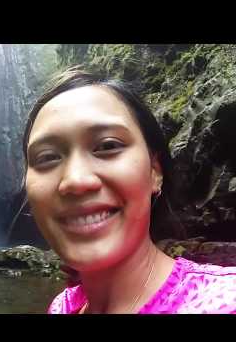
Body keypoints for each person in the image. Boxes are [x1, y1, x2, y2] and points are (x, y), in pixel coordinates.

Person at [22, 66, 236, 314]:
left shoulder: (224, 301)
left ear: (155, 170)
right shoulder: (64, 306)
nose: (75, 180)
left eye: (107, 145)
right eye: (47, 157)